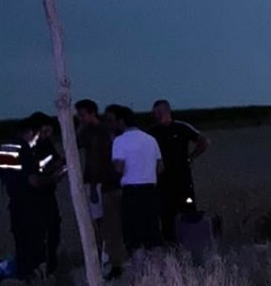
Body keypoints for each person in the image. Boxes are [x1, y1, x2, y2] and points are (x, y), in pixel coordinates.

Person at [0, 115, 63, 280]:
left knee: (25, 245)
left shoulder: (7, 148)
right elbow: (32, 180)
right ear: (31, 132)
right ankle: (39, 275)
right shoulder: (22, 149)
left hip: (18, 203)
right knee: (36, 245)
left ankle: (27, 275)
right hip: (31, 205)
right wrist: (54, 178)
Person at [149, 99, 211, 242]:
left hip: (183, 180)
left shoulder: (181, 127)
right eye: (155, 113)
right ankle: (171, 249)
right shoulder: (152, 132)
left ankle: (192, 244)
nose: (157, 116)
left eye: (160, 113)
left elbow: (204, 141)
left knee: (188, 212)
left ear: (168, 112)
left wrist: (191, 157)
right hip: (162, 181)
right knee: (166, 216)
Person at [106, 104, 163, 256]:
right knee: (153, 234)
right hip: (150, 190)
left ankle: (140, 275)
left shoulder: (119, 141)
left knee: (134, 237)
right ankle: (161, 273)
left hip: (132, 191)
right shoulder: (151, 139)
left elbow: (119, 167)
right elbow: (160, 167)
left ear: (121, 121)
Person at [76, 98, 124, 277]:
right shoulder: (87, 132)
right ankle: (104, 255)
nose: (80, 118)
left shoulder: (104, 132)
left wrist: (96, 186)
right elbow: (75, 143)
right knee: (97, 222)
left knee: (105, 222)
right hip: (94, 180)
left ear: (91, 113)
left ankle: (107, 257)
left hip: (103, 182)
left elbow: (103, 161)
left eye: (82, 115)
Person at [28, 111, 65, 275]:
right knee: (38, 232)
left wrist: (60, 165)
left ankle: (51, 263)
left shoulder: (47, 144)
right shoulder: (28, 147)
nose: (47, 135)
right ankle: (39, 266)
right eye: (45, 131)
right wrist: (51, 173)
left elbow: (54, 160)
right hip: (34, 197)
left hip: (48, 194)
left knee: (54, 229)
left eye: (50, 132)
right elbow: (35, 173)